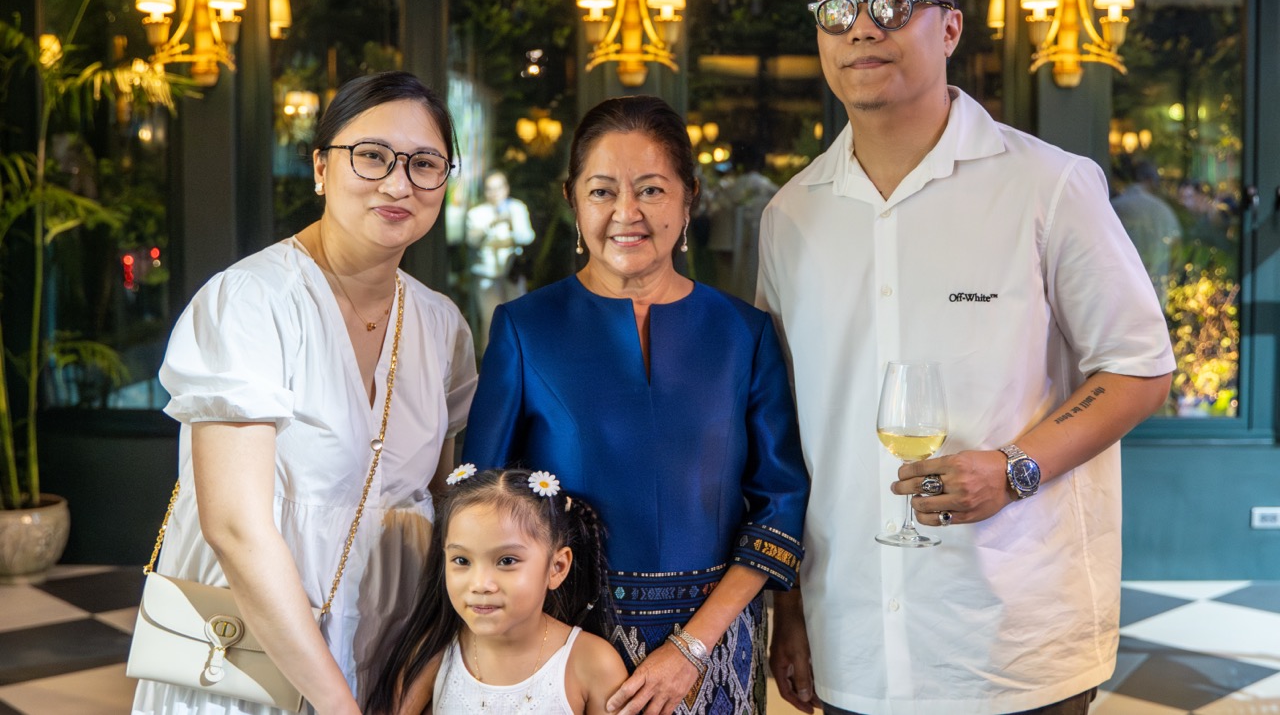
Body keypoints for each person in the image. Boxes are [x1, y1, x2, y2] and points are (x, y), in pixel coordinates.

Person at [757, 0, 1175, 715]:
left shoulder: (1047, 185)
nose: (861, 30)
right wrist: (789, 602)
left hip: (1012, 636)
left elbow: (1138, 367)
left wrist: (1015, 466)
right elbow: (784, 426)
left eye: (892, 7)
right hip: (854, 637)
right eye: (837, 11)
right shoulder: (790, 216)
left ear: (949, 28)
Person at [131, 71, 478, 715]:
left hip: (391, 636)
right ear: (321, 168)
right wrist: (334, 703)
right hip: (257, 642)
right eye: (371, 156)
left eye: (425, 164)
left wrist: (429, 662)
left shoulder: (441, 325)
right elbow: (234, 526)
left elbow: (439, 501)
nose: (398, 183)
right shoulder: (252, 301)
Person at [463, 95, 809, 715]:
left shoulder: (744, 333)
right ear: (572, 199)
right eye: (602, 192)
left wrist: (693, 648)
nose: (626, 213)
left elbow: (781, 506)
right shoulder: (522, 328)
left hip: (716, 650)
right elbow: (480, 509)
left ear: (689, 197)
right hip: (562, 648)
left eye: (650, 190)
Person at [364, 466, 628, 714]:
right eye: (462, 561)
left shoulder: (593, 664)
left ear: (556, 567)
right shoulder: (436, 651)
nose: (480, 584)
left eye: (507, 561)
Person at [466, 169, 536, 349]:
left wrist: (511, 225)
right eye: (490, 189)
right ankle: (491, 365)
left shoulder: (517, 208)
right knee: (491, 320)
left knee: (518, 318)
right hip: (486, 274)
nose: (495, 193)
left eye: (498, 188)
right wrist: (491, 225)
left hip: (512, 271)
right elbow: (471, 241)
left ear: (506, 188)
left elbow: (527, 237)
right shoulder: (477, 212)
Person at [1111, 161, 1182, 304]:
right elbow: (1176, 254)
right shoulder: (1163, 210)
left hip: (1118, 292)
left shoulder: (1114, 206)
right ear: (1152, 181)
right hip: (1154, 291)